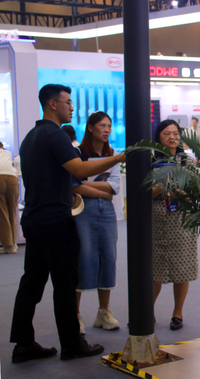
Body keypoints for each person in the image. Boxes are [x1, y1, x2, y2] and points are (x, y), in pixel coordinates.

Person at [10, 84, 124, 364]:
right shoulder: (55, 135)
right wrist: (120, 157)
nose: (72, 107)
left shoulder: (31, 136)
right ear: (52, 104)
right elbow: (80, 170)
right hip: (55, 221)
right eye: (68, 102)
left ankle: (23, 344)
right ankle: (72, 344)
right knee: (65, 283)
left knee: (32, 283)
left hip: (34, 219)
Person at [72, 111, 120, 334]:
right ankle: (75, 315)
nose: (107, 129)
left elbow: (115, 186)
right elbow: (75, 185)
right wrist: (101, 192)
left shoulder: (114, 155)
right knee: (83, 256)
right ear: (90, 127)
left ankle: (104, 311)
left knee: (108, 257)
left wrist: (89, 186)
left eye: (109, 126)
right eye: (102, 125)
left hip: (108, 213)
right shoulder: (78, 153)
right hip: (83, 210)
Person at [152, 120, 198, 331]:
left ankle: (177, 313)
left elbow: (195, 190)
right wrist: (169, 190)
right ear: (158, 137)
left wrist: (173, 191)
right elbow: (145, 189)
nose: (171, 136)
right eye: (166, 133)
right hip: (155, 217)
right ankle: (146, 310)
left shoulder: (187, 160)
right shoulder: (150, 159)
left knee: (182, 266)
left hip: (182, 218)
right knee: (154, 267)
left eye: (175, 133)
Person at [0, 141, 19, 253]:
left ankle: (8, 245)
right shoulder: (7, 153)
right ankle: (13, 243)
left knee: (2, 212)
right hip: (13, 178)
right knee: (12, 211)